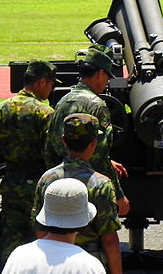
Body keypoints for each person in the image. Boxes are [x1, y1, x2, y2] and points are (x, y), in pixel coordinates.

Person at [33, 113, 127, 274]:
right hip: (92, 268)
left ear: (63, 140)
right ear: (93, 143)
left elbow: (40, 230)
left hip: (53, 267)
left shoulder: (47, 179)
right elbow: (109, 239)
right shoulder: (101, 184)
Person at [0, 60, 59, 265]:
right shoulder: (45, 113)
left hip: (11, 182)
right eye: (51, 84)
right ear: (41, 82)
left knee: (12, 241)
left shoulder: (1, 109)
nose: (52, 88)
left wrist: (9, 157)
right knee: (41, 241)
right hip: (38, 185)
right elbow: (53, 153)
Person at [45, 44, 129, 216]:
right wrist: (118, 195)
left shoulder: (64, 101)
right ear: (99, 74)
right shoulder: (98, 106)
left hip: (61, 182)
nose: (107, 82)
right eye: (107, 77)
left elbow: (51, 145)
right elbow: (99, 156)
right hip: (88, 187)